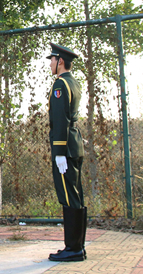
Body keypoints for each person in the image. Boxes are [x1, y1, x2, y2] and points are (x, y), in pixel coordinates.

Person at [46, 43, 87, 262]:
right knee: (76, 195)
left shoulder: (60, 84)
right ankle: (78, 246)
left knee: (68, 196)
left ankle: (73, 248)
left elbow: (61, 119)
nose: (50, 64)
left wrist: (59, 151)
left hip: (66, 148)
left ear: (60, 61)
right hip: (74, 144)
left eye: (52, 60)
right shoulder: (74, 82)